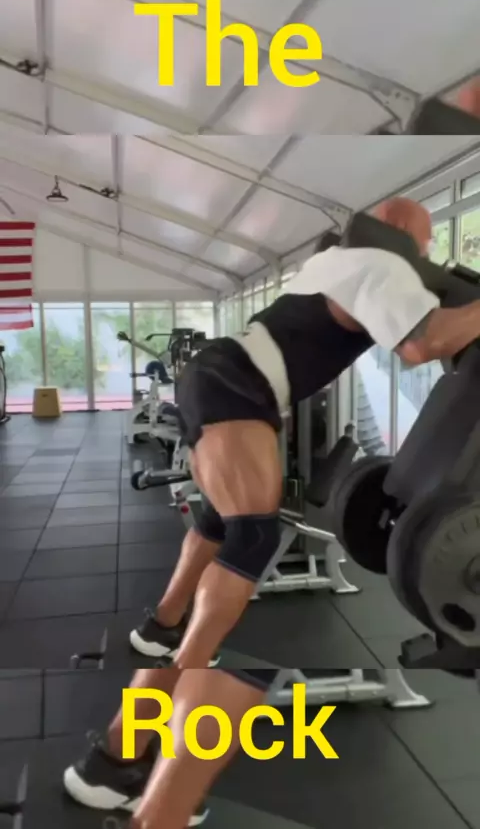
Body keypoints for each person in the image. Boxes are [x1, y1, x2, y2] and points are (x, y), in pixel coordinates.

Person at [64, 197, 480, 829]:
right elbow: (424, 343)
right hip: (241, 387)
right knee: (253, 542)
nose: (424, 259)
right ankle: (129, 749)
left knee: (218, 526)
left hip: (226, 378)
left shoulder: (334, 262)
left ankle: (159, 636)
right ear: (397, 231)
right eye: (423, 245)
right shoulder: (381, 263)